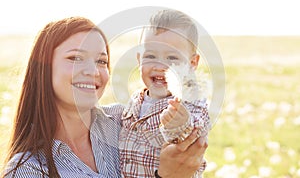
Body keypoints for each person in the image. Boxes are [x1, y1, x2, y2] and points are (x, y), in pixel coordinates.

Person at [1, 16, 207, 178]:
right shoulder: (27, 170)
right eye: (75, 58)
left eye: (101, 61)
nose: (92, 71)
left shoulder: (126, 120)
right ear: (43, 68)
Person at [119, 9, 210, 178]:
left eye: (172, 58)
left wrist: (181, 123)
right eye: (151, 55)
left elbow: (196, 129)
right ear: (139, 59)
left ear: (192, 63)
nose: (160, 65)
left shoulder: (190, 103)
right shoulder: (135, 100)